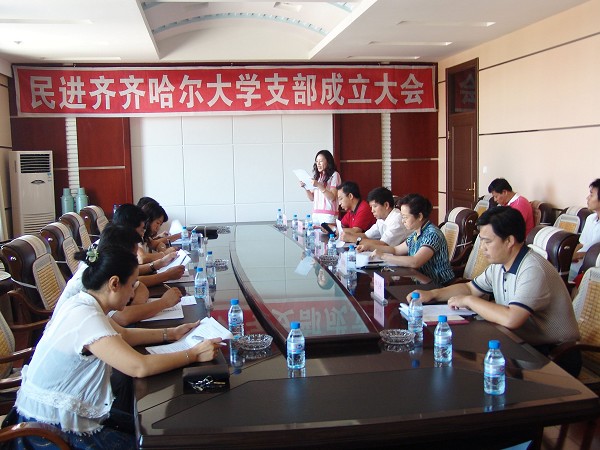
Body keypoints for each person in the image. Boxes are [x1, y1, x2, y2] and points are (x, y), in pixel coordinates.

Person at [10, 246, 222, 448]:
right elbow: (139, 367)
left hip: (56, 417)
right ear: (114, 283)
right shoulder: (86, 317)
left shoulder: (83, 302)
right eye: (132, 285)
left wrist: (171, 333)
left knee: (140, 424)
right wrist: (193, 354)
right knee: (150, 438)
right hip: (50, 430)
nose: (133, 294)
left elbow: (124, 334)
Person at [409, 206, 581, 376]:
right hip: (518, 342)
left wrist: (469, 301)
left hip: (553, 356)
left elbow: (512, 318)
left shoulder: (533, 269)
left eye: (488, 241)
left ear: (509, 241)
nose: (482, 248)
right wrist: (433, 294)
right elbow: (470, 288)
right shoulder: (500, 264)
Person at [56, 224, 183, 326]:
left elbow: (140, 287)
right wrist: (163, 303)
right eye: (133, 256)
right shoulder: (93, 276)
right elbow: (123, 318)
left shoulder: (108, 265)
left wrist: (135, 309)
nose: (135, 261)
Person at [358, 193, 454, 285]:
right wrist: (369, 247)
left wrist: (383, 256)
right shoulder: (416, 233)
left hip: (438, 284)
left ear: (419, 216)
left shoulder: (432, 234)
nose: (403, 221)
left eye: (405, 217)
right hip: (419, 279)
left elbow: (415, 262)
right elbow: (396, 250)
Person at [113, 204, 185, 286]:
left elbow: (131, 271)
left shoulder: (122, 240)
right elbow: (132, 282)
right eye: (141, 229)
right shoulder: (114, 248)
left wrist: (161, 262)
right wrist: (167, 275)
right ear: (130, 228)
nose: (143, 234)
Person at [340, 187, 409, 247]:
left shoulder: (396, 219)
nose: (372, 210)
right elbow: (366, 235)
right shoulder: (381, 218)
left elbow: (383, 244)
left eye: (375, 206)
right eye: (371, 207)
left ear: (386, 205)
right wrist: (350, 235)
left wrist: (352, 239)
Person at [299, 150, 341, 225]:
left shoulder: (335, 175)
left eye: (321, 161)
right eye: (316, 161)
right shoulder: (318, 177)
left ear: (328, 161)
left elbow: (332, 197)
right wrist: (305, 187)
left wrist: (319, 185)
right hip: (316, 214)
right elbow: (312, 198)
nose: (318, 164)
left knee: (328, 233)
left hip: (329, 214)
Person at [570, 178, 600, 281]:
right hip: (576, 263)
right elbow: (581, 244)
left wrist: (578, 255)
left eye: (591, 195)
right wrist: (571, 256)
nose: (587, 198)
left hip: (591, 268)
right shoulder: (590, 218)